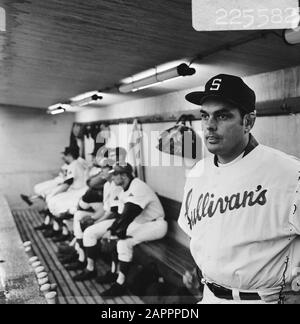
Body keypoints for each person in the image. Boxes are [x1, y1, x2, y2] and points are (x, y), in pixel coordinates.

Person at [178, 74, 300, 304]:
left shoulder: (289, 173)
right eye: (205, 116)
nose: (210, 126)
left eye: (222, 115)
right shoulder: (197, 173)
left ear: (248, 121)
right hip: (209, 295)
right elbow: (200, 234)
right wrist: (196, 270)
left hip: (261, 299)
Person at [93, 162, 168, 298]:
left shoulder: (137, 186)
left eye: (115, 174)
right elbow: (122, 216)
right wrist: (112, 230)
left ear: (124, 175)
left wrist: (113, 231)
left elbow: (128, 215)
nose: (112, 177)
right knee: (118, 238)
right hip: (142, 223)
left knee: (123, 242)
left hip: (156, 225)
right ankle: (114, 273)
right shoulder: (124, 189)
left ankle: (120, 284)